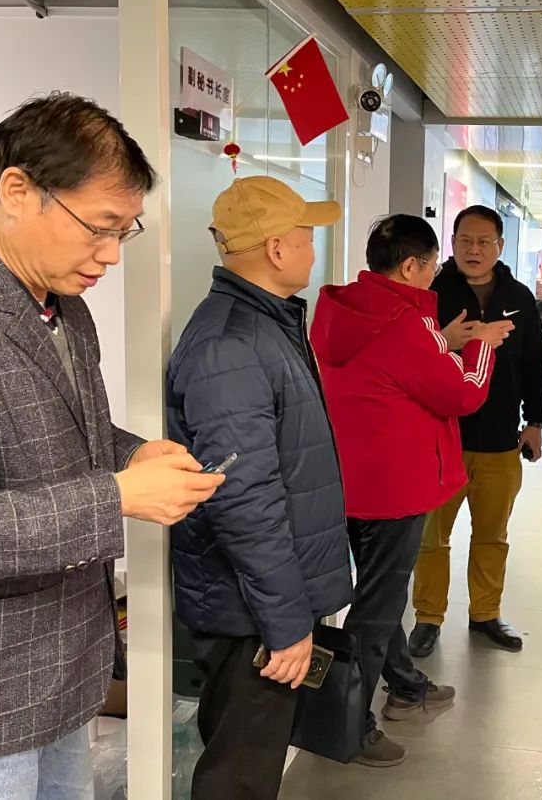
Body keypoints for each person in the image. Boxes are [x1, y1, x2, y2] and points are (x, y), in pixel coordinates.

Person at [0, 93, 223, 798]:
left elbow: (67, 431)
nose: (110, 255)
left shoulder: (62, 302)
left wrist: (131, 454)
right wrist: (119, 496)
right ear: (17, 191)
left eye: (124, 232)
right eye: (99, 227)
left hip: (67, 662)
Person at [167, 177, 352, 799]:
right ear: (276, 248)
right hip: (250, 609)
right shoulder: (233, 345)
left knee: (250, 766)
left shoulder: (263, 326)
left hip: (262, 601)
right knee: (239, 777)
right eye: (307, 236)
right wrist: (286, 622)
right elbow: (242, 500)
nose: (312, 249)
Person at [311, 214, 511, 765]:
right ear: (409, 267)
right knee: (377, 610)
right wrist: (482, 346)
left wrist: (442, 341)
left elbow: (389, 368)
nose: (434, 274)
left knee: (380, 593)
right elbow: (463, 394)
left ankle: (405, 685)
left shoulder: (341, 311)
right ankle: (352, 727)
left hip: (350, 482)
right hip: (395, 490)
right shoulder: (405, 321)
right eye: (430, 265)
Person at [408, 204, 542, 657]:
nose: (474, 249)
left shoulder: (519, 297)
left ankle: (486, 613)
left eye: (484, 241)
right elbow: (412, 360)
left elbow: (534, 364)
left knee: (492, 535)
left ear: (500, 246)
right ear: (452, 244)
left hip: (501, 440)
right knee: (432, 537)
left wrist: (535, 421)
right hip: (442, 439)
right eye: (465, 240)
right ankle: (428, 617)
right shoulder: (432, 293)